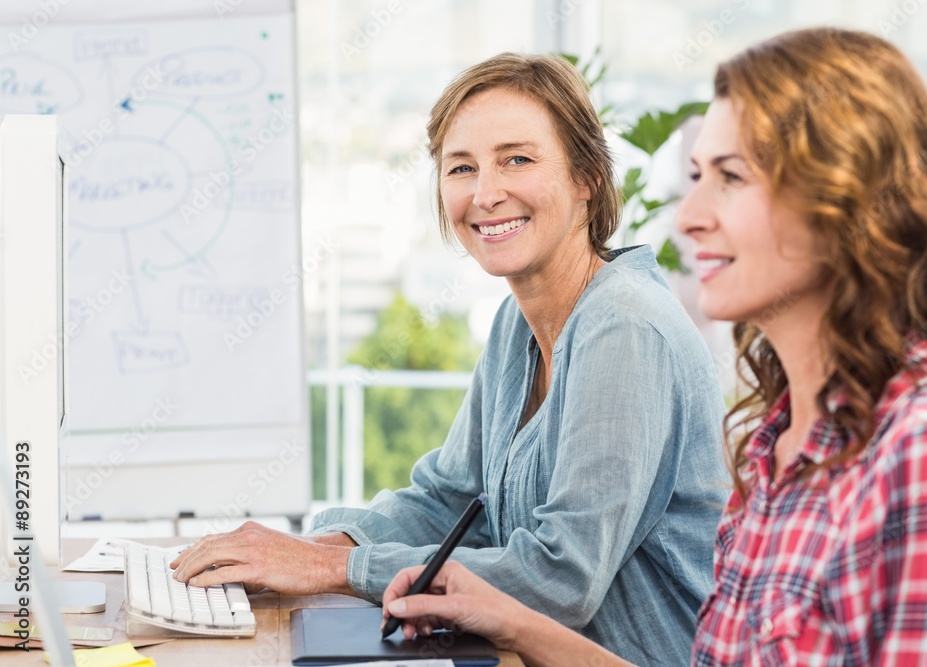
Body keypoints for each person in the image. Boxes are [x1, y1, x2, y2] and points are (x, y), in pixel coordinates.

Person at [377, 28, 927, 666]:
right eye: (698, 175)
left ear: (847, 200)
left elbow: (565, 575)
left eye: (730, 177)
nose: (688, 216)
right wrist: (509, 620)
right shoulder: (776, 446)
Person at [171, 52, 728, 665]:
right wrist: (307, 549)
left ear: (587, 176)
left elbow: (561, 579)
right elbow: (448, 501)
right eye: (461, 168)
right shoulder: (520, 320)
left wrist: (331, 566)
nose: (486, 193)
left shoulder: (625, 326)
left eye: (517, 158)